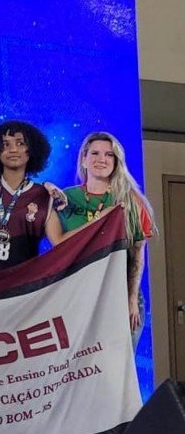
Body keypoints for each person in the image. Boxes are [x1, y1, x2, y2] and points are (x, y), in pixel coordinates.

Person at [58, 132, 156, 348]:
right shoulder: (66, 198)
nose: (101, 159)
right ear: (84, 159)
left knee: (118, 369)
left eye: (109, 155)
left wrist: (131, 299)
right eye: (94, 153)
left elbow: (138, 252)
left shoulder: (130, 201)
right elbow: (58, 244)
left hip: (118, 294)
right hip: (78, 294)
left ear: (116, 161)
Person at [0, 121, 65, 274]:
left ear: (32, 149)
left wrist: (103, 219)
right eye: (5, 144)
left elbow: (61, 242)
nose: (13, 149)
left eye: (20, 143)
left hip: (21, 292)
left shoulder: (43, 196)